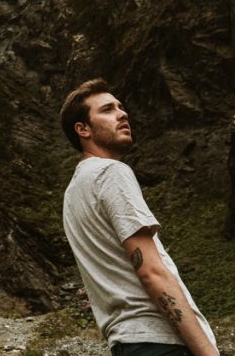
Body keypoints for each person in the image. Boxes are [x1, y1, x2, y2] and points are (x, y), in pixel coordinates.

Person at [60, 78, 219, 356]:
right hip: (160, 341)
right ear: (83, 129)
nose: (122, 114)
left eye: (120, 107)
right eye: (107, 109)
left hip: (126, 343)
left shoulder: (73, 192)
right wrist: (208, 352)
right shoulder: (111, 173)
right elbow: (151, 272)